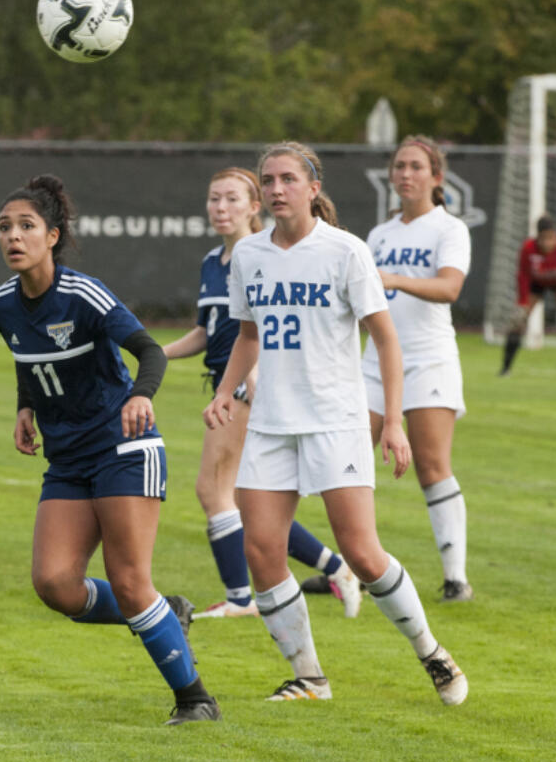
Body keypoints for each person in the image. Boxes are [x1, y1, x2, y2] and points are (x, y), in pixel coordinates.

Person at [203, 141, 468, 706]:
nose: (276, 189)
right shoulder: (249, 254)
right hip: (272, 422)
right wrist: (226, 392)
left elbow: (385, 337)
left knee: (363, 554)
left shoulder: (345, 251)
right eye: (268, 180)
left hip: (335, 419)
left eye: (288, 180)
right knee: (262, 550)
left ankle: (431, 652)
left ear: (313, 188)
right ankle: (309, 676)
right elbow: (248, 336)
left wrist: (392, 421)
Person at [0, 174, 220, 726]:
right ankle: (167, 613)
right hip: (67, 459)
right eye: (4, 227)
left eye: (26, 226)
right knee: (56, 585)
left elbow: (150, 352)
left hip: (124, 447)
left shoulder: (83, 294)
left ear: (53, 236)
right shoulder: (2, 304)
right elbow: (31, 361)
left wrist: (142, 397)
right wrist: (26, 406)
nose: (12, 237)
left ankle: (195, 699)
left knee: (129, 580)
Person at [163, 167, 361, 619]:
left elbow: (268, 334)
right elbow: (205, 332)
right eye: (214, 199)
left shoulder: (266, 257)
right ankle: (336, 568)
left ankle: (240, 599)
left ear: (256, 206)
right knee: (250, 500)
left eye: (232, 199)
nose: (220, 208)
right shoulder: (213, 262)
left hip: (249, 390)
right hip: (224, 384)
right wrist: (156, 353)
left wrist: (248, 382)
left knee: (215, 491)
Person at [362, 136, 473, 603]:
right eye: (399, 166)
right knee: (344, 460)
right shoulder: (379, 235)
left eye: (415, 166)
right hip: (372, 363)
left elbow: (449, 289)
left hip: (428, 357)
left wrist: (392, 279)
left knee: (430, 465)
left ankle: (455, 578)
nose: (405, 174)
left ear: (436, 176)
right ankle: (355, 568)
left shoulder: (449, 228)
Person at [499, 213, 556, 375]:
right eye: (543, 238)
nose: (547, 243)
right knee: (518, 320)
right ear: (537, 237)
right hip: (535, 284)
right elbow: (523, 275)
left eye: (550, 238)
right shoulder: (528, 248)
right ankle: (505, 369)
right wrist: (522, 301)